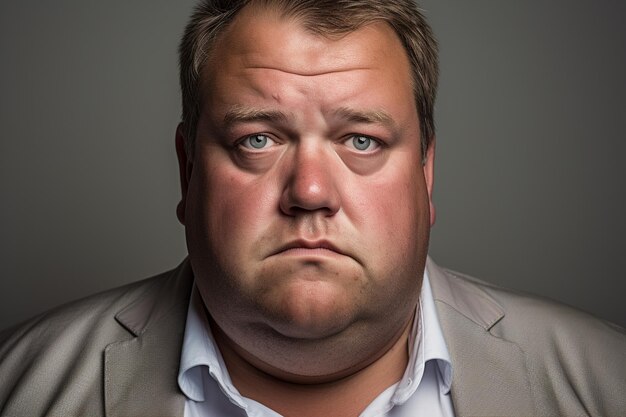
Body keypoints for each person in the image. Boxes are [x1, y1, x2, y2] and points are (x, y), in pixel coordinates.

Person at [1, 1, 625, 416]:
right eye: (258, 139)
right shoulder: (18, 389)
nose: (310, 193)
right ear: (188, 169)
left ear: (426, 171)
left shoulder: (607, 385)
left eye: (361, 140)